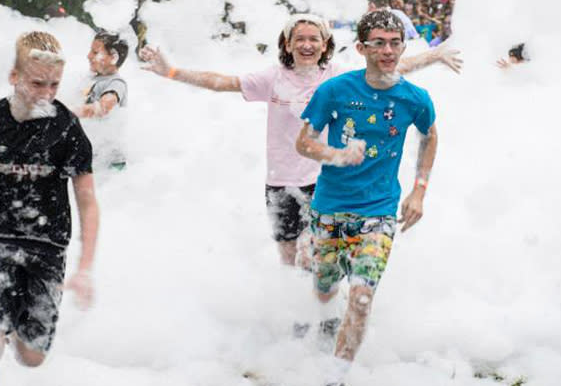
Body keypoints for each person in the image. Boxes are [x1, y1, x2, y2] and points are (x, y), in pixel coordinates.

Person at [140, 14, 460, 269]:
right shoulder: (273, 78)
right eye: (300, 39)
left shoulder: (336, 77)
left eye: (314, 39)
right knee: (289, 261)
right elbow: (222, 82)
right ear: (288, 44)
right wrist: (171, 72)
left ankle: (326, 317)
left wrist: (434, 55)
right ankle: (298, 322)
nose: (307, 44)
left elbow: (392, 66)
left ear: (325, 44)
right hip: (278, 183)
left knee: (313, 257)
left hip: (319, 184)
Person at [296, 9, 437, 386]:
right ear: (361, 48)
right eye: (379, 43)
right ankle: (323, 317)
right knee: (325, 287)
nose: (388, 50)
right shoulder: (336, 91)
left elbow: (430, 137)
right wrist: (336, 155)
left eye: (395, 43)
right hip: (329, 210)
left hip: (379, 213)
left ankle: (337, 380)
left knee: (360, 296)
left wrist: (419, 189)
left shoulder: (415, 98)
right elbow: (304, 143)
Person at [0, 31, 99, 367]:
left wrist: (84, 268)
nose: (46, 93)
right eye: (37, 83)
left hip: (48, 246)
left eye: (53, 85)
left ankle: (15, 323)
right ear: (14, 77)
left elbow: (87, 200)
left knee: (32, 357)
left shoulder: (66, 128)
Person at [76, 31, 130, 170]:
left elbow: (104, 107)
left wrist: (65, 112)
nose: (88, 56)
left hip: (110, 163)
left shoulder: (116, 83)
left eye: (95, 52)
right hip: (93, 156)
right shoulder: (92, 78)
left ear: (113, 58)